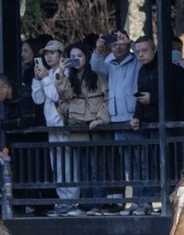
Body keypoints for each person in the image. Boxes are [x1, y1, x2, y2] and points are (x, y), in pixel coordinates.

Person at [91, 29, 141, 210]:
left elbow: (143, 52)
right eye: (114, 43)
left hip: (133, 116)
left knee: (141, 163)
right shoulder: (109, 62)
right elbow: (95, 66)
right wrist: (98, 50)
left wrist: (131, 42)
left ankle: (142, 200)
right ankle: (134, 202)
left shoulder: (136, 60)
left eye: (121, 42)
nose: (118, 46)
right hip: (116, 119)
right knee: (127, 165)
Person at [57, 42, 109, 212]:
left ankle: (99, 203)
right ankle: (86, 203)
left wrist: (101, 118)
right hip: (77, 126)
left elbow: (108, 98)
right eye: (72, 57)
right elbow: (63, 96)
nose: (76, 60)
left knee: (97, 167)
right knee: (83, 168)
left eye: (79, 56)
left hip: (96, 126)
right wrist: (61, 73)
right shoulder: (68, 78)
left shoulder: (97, 75)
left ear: (86, 57)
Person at [33, 40, 78, 213]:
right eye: (46, 53)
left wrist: (45, 79)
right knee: (57, 165)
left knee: (69, 164)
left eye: (52, 53)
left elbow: (56, 95)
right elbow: (38, 99)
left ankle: (72, 201)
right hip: (51, 125)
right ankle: (62, 201)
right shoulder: (47, 73)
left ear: (61, 54)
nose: (49, 56)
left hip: (64, 124)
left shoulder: (65, 71)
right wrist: (38, 80)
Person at [128, 35, 161, 212]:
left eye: (144, 51)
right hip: (147, 122)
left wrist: (153, 98)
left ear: (153, 50)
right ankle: (143, 199)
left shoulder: (163, 69)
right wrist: (137, 117)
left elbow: (173, 93)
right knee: (143, 162)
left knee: (158, 163)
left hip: (162, 122)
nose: (141, 55)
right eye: (137, 52)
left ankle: (155, 200)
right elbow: (140, 97)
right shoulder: (142, 71)